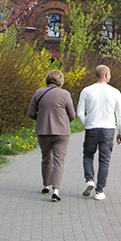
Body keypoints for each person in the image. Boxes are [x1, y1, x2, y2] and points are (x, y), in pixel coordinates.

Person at [77, 64, 121, 201]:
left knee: (87, 155)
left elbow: (79, 113)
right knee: (104, 160)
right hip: (108, 129)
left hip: (92, 128)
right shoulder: (115, 92)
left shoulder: (86, 91)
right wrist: (120, 132)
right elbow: (120, 115)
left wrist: (87, 124)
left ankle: (89, 180)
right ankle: (99, 191)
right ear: (106, 75)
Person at [27, 69, 76, 202]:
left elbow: (31, 113)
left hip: (43, 131)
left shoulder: (38, 93)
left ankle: (46, 186)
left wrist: (41, 118)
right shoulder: (65, 94)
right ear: (61, 81)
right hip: (61, 133)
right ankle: (56, 190)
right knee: (58, 160)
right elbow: (72, 115)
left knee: (46, 158)